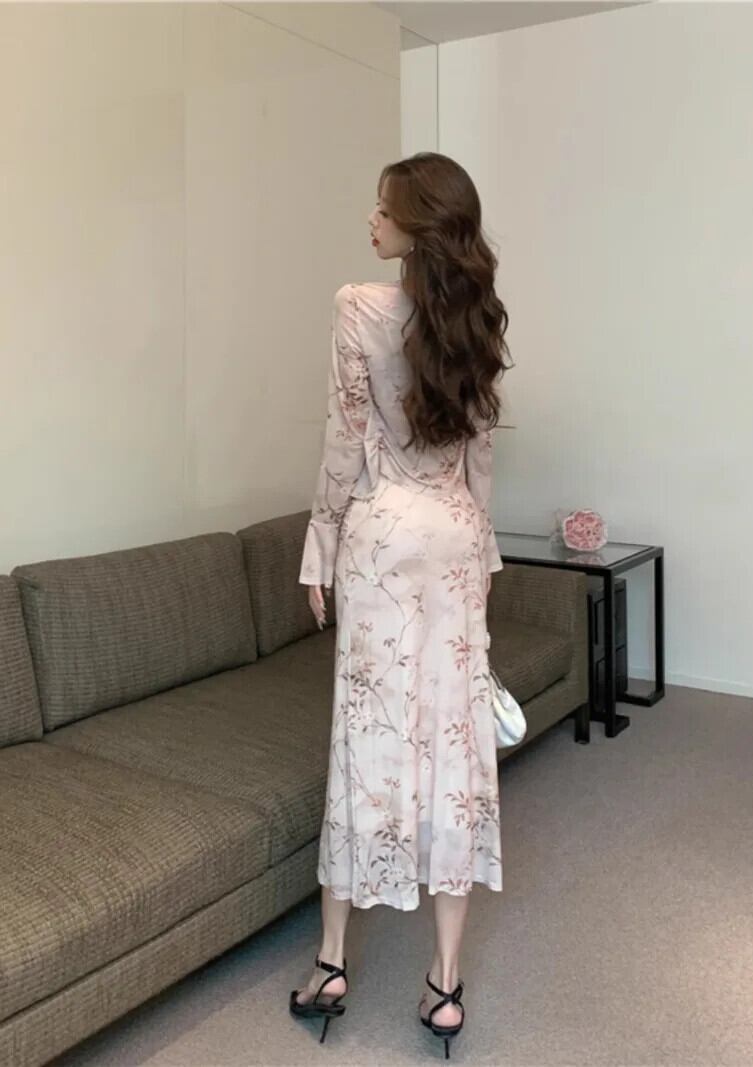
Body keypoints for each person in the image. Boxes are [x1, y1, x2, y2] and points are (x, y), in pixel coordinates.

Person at [289, 152, 513, 1058]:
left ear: (415, 226)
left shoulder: (358, 307)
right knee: (455, 741)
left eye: (382, 210)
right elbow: (481, 452)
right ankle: (445, 983)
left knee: (367, 740)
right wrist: (483, 551)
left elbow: (345, 439)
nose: (370, 222)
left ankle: (332, 964)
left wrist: (320, 547)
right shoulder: (476, 318)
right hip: (454, 534)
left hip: (382, 537)